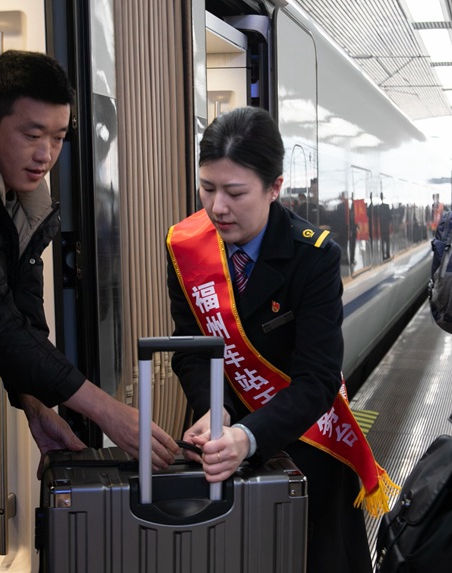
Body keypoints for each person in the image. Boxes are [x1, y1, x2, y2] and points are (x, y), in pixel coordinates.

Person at [0, 50, 179, 572]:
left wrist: (35, 403)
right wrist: (109, 413)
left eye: (59, 137)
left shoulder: (21, 194)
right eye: (32, 134)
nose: (46, 154)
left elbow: (22, 312)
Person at [167, 107, 393, 573]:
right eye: (207, 188)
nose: (217, 207)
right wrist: (213, 409)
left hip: (305, 446)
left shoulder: (314, 257)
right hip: (219, 453)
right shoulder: (186, 248)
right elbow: (191, 349)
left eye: (235, 192)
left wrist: (248, 436)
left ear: (274, 187)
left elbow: (318, 378)